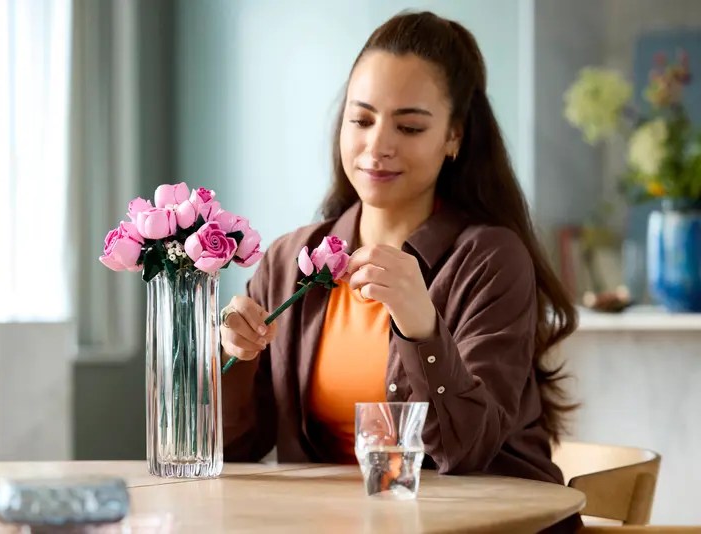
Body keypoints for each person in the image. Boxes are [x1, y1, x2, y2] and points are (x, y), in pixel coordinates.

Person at [220, 11, 578, 528]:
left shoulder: (491, 260)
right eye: (361, 120)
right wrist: (233, 358)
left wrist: (422, 328)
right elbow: (237, 451)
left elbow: (467, 452)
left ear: (454, 136)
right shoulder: (289, 261)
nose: (377, 145)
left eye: (409, 126)